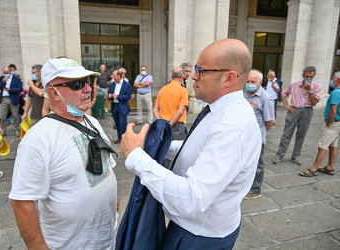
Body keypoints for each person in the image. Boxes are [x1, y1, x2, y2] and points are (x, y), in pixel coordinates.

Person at [120, 38, 261, 249]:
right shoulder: (219, 111)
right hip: (195, 229)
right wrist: (158, 147)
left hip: (198, 236)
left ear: (228, 78)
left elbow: (190, 199)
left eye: (201, 70)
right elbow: (198, 149)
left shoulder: (231, 126)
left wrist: (136, 157)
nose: (194, 76)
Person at [9, 57, 118, 249]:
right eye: (77, 84)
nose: (88, 89)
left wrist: (113, 194)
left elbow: (107, 164)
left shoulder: (92, 122)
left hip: (108, 239)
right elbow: (21, 200)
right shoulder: (38, 139)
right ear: (54, 93)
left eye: (86, 82)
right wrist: (38, 247)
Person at [272, 66, 321, 166]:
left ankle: (296, 156)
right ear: (303, 75)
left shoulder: (316, 86)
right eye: (306, 76)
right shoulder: (295, 84)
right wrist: (286, 105)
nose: (308, 79)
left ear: (314, 76)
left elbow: (315, 101)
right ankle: (279, 155)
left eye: (311, 77)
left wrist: (309, 90)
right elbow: (283, 93)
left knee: (301, 134)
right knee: (287, 133)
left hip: (307, 110)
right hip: (294, 109)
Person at [299, 71, 340, 177]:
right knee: (333, 145)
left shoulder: (336, 93)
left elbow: (333, 110)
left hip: (333, 123)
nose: (332, 80)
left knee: (323, 146)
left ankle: (313, 169)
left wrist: (328, 123)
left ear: (337, 80)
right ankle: (330, 167)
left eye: (333, 78)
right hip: (338, 123)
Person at [243, 69, 275, 199]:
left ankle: (255, 190)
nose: (249, 83)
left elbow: (269, 121)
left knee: (257, 164)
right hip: (244, 136)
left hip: (256, 138)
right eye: (248, 81)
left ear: (260, 82)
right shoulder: (244, 93)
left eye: (253, 81)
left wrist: (259, 131)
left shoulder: (265, 98)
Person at [153, 67, 189, 141]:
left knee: (165, 149)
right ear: (182, 76)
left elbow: (155, 109)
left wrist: (160, 122)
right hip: (177, 125)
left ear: (171, 76)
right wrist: (169, 125)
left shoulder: (162, 89)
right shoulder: (183, 91)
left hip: (163, 123)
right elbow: (180, 111)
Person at [0, 65, 23, 137]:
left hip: (13, 98)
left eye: (7, 72)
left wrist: (11, 90)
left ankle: (17, 130)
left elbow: (20, 89)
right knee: (2, 116)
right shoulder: (1, 78)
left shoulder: (16, 79)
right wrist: (3, 82)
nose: (6, 74)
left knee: (15, 116)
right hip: (4, 98)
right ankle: (3, 131)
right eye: (4, 72)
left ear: (10, 71)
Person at [108, 70, 132, 144]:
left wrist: (118, 96)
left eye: (114, 75)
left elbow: (128, 96)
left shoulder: (127, 85)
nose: (113, 77)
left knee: (122, 123)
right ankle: (119, 137)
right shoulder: (112, 84)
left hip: (122, 106)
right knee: (117, 123)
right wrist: (109, 96)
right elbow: (110, 93)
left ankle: (124, 138)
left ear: (119, 76)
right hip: (115, 106)